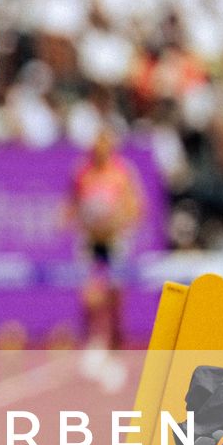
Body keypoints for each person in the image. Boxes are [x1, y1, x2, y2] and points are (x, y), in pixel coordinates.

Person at [66, 128, 145, 382]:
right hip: (90, 240)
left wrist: (120, 223)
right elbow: (72, 203)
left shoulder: (122, 172)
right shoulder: (82, 172)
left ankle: (116, 345)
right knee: (88, 294)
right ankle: (92, 342)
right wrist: (75, 220)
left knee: (115, 295)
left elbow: (136, 205)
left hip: (114, 240)